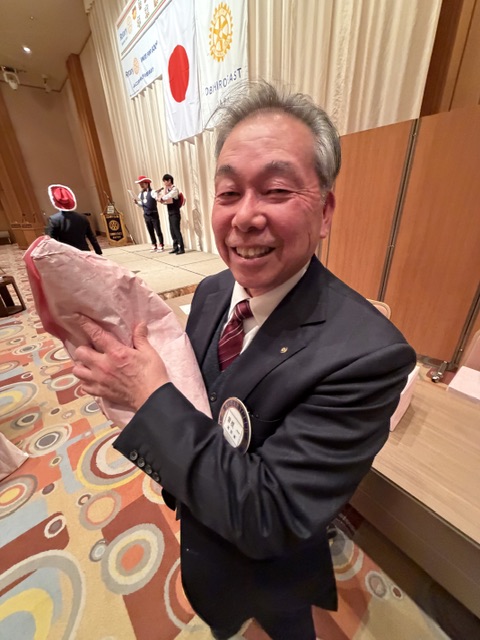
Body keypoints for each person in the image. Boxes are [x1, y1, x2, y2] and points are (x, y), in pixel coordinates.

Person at [72, 81, 416, 640]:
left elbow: (273, 514)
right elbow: (198, 403)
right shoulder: (212, 291)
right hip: (204, 539)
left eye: (276, 190)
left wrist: (147, 397)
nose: (245, 217)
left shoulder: (371, 354)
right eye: (229, 192)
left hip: (273, 568)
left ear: (325, 211)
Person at [46, 184, 102, 255]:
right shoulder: (83, 217)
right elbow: (91, 237)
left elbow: (51, 242)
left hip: (67, 254)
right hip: (84, 252)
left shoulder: (53, 219)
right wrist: (98, 252)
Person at [133, 175, 165, 252]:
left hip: (153, 214)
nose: (141, 185)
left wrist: (159, 197)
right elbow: (142, 204)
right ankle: (154, 244)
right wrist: (137, 203)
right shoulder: (140, 194)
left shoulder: (152, 192)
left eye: (142, 184)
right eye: (140, 184)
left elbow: (157, 198)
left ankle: (161, 244)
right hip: (146, 215)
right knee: (150, 230)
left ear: (147, 183)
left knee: (158, 230)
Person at [158, 173, 185, 254]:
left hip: (175, 213)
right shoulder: (166, 190)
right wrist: (160, 198)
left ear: (169, 180)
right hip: (170, 212)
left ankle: (181, 248)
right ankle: (175, 247)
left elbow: (169, 196)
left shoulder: (174, 189)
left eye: (165, 181)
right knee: (172, 230)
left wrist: (161, 197)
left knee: (176, 230)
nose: (164, 183)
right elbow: (166, 201)